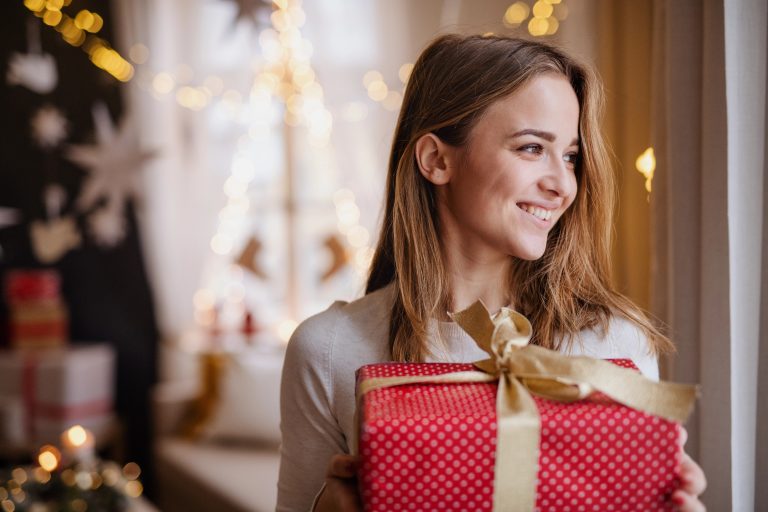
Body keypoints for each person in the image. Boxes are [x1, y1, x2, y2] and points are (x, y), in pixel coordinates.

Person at [277, 34, 706, 512]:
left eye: (570, 156)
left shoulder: (615, 345)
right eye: (530, 148)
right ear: (437, 160)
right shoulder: (329, 350)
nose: (562, 185)